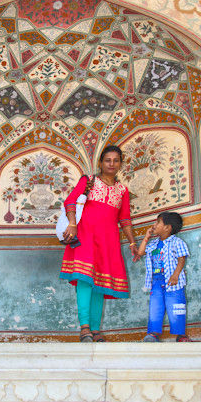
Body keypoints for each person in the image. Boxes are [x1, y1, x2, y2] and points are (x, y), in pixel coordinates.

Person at [59, 145, 138, 342]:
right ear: (101, 163)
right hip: (85, 236)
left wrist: (132, 243)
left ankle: (95, 330)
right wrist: (72, 224)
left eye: (116, 160)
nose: (112, 164)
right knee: (85, 279)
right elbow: (70, 201)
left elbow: (125, 220)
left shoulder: (123, 190)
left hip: (108, 241)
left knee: (99, 284)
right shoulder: (89, 181)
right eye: (107, 160)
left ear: (121, 163)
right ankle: (84, 327)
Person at [137, 211, 191, 342]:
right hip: (156, 282)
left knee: (176, 306)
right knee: (155, 307)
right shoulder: (154, 244)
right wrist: (146, 237)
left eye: (158, 222)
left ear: (167, 227)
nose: (154, 225)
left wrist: (176, 275)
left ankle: (180, 334)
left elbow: (181, 259)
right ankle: (153, 333)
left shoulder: (176, 242)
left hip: (173, 281)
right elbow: (141, 252)